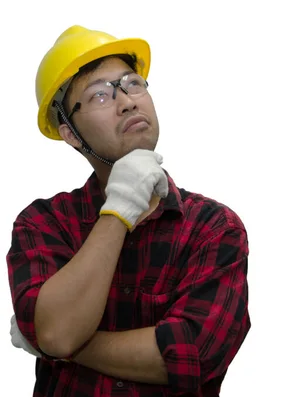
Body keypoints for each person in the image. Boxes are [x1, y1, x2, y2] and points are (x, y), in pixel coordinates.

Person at [6, 25, 251, 397]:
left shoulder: (214, 227)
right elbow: (57, 332)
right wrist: (119, 208)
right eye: (100, 95)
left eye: (132, 83)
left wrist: (59, 346)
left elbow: (192, 354)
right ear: (71, 133)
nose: (127, 101)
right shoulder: (44, 223)